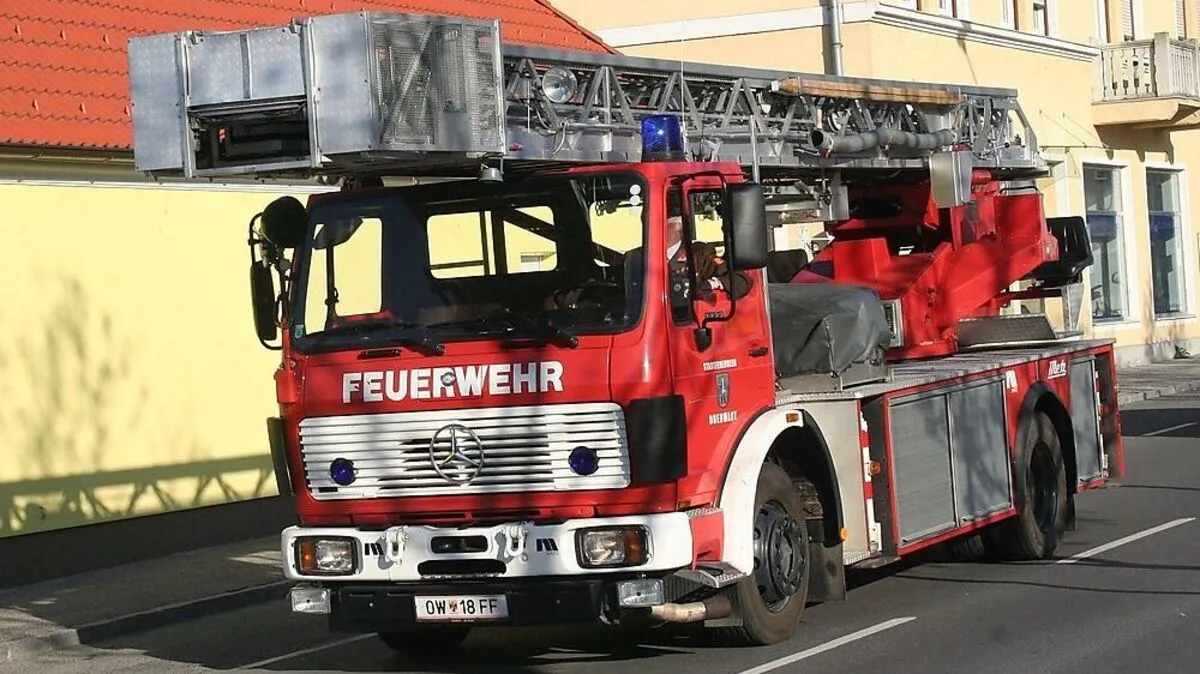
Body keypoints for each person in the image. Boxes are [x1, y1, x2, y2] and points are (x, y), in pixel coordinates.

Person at [664, 215, 753, 301]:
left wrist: (712, 283)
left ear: (679, 228)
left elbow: (739, 280)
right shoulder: (650, 259)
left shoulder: (697, 254)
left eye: (665, 222)